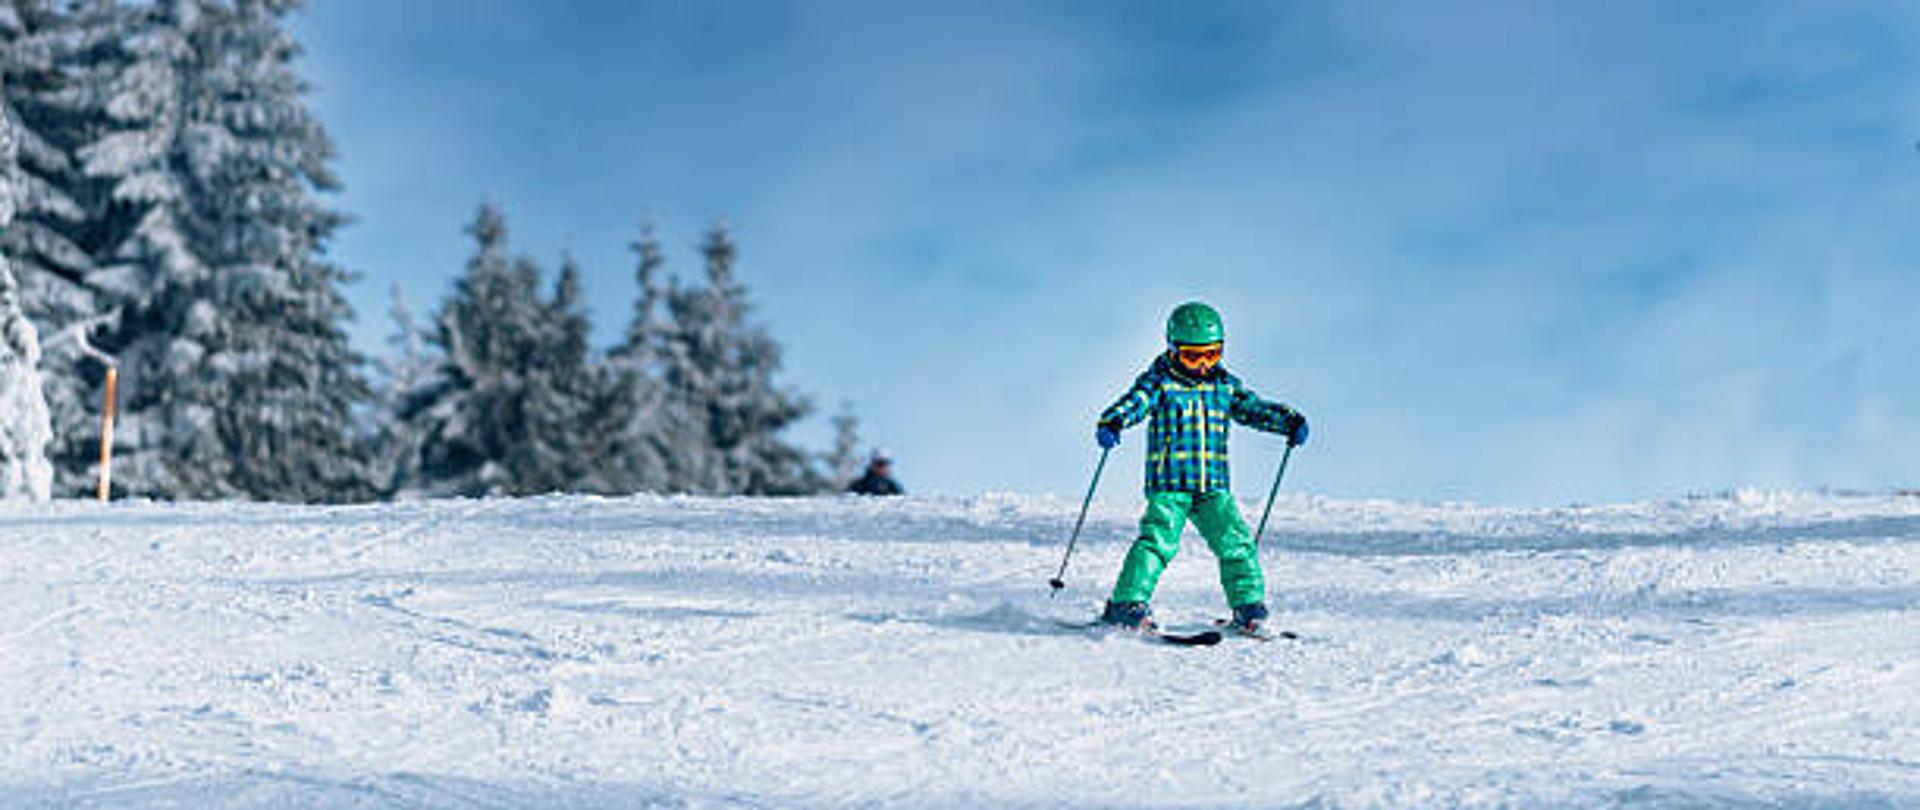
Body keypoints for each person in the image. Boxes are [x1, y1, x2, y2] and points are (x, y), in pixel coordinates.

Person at [1093, 301, 1308, 635]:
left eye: (1212, 354)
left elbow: (1252, 408)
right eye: (1193, 357)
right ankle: (1126, 604)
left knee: (1236, 541)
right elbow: (1136, 402)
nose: (1204, 365)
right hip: (1170, 483)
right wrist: (1114, 420)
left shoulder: (1224, 386)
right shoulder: (1159, 382)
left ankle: (1248, 607)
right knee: (1157, 542)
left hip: (1213, 486)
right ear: (1173, 350)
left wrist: (1287, 420)